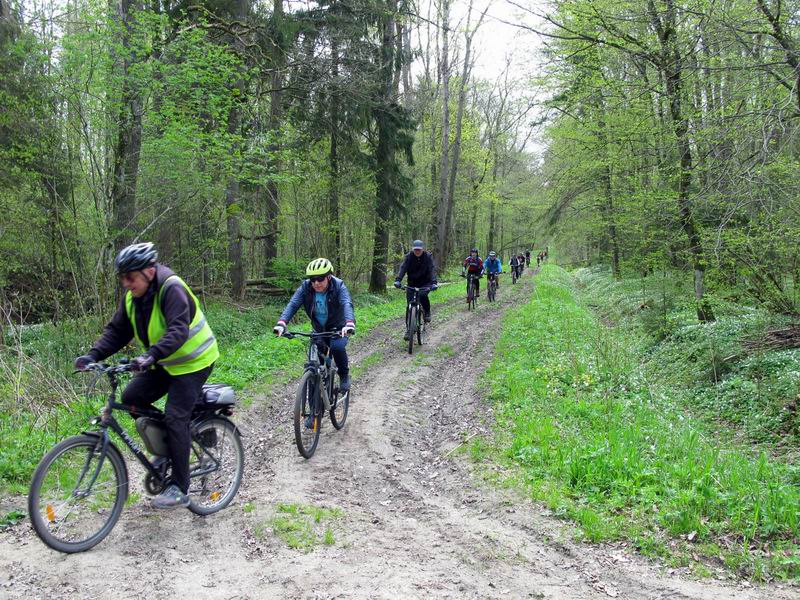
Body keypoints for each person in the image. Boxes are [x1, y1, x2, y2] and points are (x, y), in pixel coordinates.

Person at [74, 242, 219, 509]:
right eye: (123, 279)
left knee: (176, 416)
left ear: (149, 272)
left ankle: (179, 486)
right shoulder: (133, 298)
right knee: (131, 398)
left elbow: (178, 330)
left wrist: (150, 355)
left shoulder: (171, 288)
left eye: (131, 277)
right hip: (164, 361)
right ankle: (170, 451)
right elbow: (117, 332)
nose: (126, 284)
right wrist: (92, 356)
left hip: (193, 362)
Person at [273, 258, 355, 393]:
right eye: (312, 279)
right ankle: (314, 408)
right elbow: (293, 304)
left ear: (329, 276)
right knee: (314, 364)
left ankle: (344, 375)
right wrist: (282, 323)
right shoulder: (306, 287)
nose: (316, 283)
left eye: (320, 278)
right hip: (319, 329)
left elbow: (347, 303)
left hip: (339, 327)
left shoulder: (339, 286)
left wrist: (349, 323)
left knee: (337, 347)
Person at [394, 240, 438, 339]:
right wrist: (398, 280)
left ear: (422, 249)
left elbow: (432, 269)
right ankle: (409, 330)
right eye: (415, 250)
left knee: (422, 296)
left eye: (419, 249)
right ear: (413, 249)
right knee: (409, 306)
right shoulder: (409, 257)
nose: (417, 251)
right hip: (412, 284)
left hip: (425, 283)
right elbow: (403, 268)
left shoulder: (428, 257)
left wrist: (434, 282)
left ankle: (427, 312)